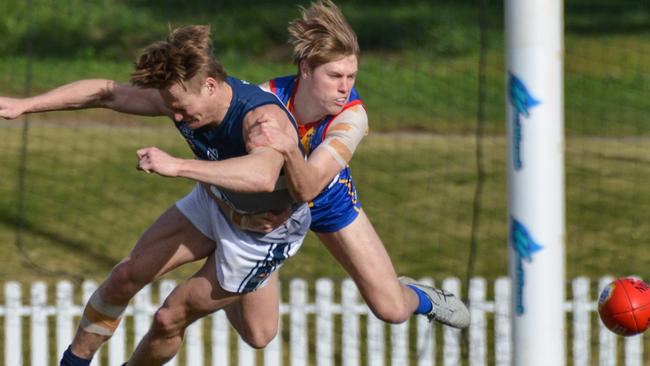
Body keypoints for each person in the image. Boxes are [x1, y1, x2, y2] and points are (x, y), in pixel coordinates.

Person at [1, 0, 470, 355]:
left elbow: (305, 188)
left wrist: (188, 165)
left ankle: (422, 298)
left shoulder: (350, 119)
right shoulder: (261, 97)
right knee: (258, 335)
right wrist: (24, 105)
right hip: (242, 204)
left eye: (351, 75)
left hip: (323, 201)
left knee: (389, 308)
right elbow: (108, 92)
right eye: (336, 75)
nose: (347, 86)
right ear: (305, 70)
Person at [2, 25, 311, 366]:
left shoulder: (260, 120)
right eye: (170, 107)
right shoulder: (179, 97)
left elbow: (263, 175)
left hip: (261, 235)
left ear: (210, 85)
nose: (176, 116)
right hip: (215, 202)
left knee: (175, 320)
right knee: (124, 276)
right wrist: (25, 105)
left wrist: (177, 166)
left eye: (181, 108)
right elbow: (106, 93)